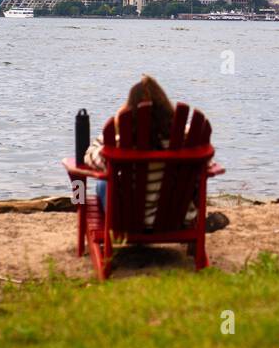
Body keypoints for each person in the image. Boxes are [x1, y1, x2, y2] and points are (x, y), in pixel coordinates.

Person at [85, 74, 228, 232]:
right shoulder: (187, 139)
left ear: (130, 110)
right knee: (194, 176)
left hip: (127, 222)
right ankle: (194, 234)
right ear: (166, 107)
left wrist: (114, 130)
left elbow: (90, 158)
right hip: (176, 220)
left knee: (103, 183)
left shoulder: (121, 142)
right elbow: (208, 164)